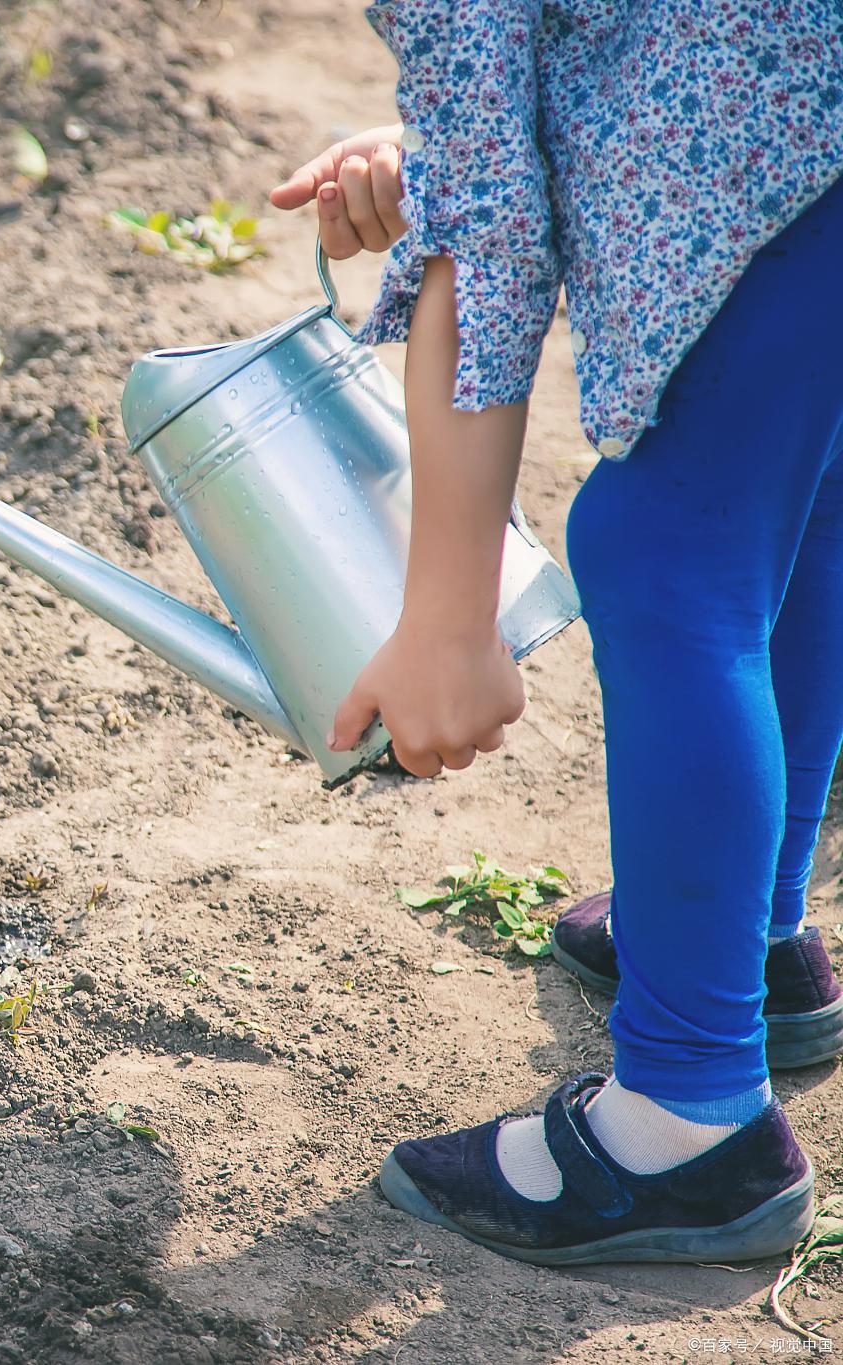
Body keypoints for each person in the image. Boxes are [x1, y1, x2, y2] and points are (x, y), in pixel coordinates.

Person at [268, 1, 843, 1265]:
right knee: (795, 501)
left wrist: (444, 617)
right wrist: (444, 135)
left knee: (664, 553)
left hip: (774, 156)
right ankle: (749, 934)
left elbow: (481, 232)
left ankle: (687, 1124)